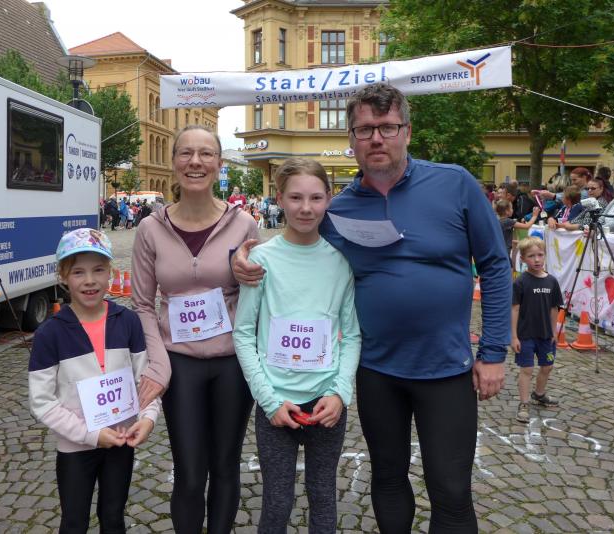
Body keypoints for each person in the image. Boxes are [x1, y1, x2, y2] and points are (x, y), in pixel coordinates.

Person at [234, 83, 510, 532]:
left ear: (407, 131)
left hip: (446, 367)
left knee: (451, 490)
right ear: (352, 138)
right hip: (378, 370)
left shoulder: (454, 183)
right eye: (365, 129)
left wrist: (494, 351)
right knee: (388, 479)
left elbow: (496, 265)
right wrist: (242, 260)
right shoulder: (338, 209)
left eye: (387, 127)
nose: (377, 138)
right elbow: (298, 247)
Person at [131, 125, 259, 534]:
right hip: (179, 363)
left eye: (206, 154)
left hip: (232, 364)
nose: (195, 162)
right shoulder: (151, 229)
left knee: (225, 466)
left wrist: (253, 276)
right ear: (174, 163)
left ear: (219, 164)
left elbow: (259, 297)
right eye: (186, 153)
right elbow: (142, 304)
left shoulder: (244, 224)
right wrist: (158, 365)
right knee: (188, 472)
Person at [233, 158, 361, 533]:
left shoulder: (340, 262)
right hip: (276, 403)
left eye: (316, 198)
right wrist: (269, 400)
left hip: (326, 403)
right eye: (296, 198)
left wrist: (339, 392)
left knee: (323, 497)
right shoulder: (260, 260)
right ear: (279, 199)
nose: (306, 208)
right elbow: (244, 333)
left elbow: (352, 334)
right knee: (276, 502)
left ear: (329, 199)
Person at [28, 228, 159, 533]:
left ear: (110, 273)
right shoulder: (50, 333)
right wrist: (90, 434)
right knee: (74, 521)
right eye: (78, 272)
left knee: (113, 517)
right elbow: (42, 401)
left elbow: (144, 379)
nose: (90, 280)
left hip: (122, 439)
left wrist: (148, 418)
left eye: (98, 270)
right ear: (63, 276)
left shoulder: (127, 322)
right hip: (75, 446)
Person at [511, 237, 563, 424]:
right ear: (523, 259)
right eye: (531, 256)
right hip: (525, 335)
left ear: (545, 256)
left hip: (546, 335)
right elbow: (514, 309)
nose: (537, 259)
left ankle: (539, 394)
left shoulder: (552, 282)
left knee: (547, 367)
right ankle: (524, 404)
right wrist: (514, 336)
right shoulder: (520, 282)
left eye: (540, 255)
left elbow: (554, 308)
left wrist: (554, 332)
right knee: (527, 369)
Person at [495, 199, 540, 266]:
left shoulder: (497, 221)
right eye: (511, 208)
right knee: (508, 268)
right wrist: (534, 216)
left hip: (499, 250)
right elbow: (527, 226)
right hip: (505, 251)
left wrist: (514, 241)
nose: (512, 210)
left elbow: (503, 236)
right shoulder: (508, 221)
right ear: (507, 211)